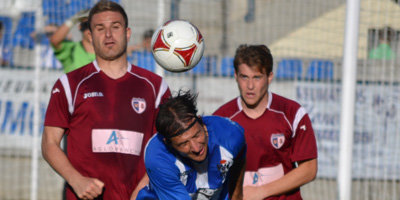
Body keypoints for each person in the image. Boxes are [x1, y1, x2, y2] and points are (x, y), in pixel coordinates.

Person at [41, 1, 171, 200]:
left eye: (115, 27)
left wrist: (143, 189)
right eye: (100, 29)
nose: (108, 35)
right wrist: (76, 180)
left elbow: (165, 146)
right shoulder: (69, 84)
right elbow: (50, 143)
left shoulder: (155, 86)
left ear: (127, 33)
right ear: (90, 37)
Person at [213, 44, 317, 200]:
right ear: (235, 75)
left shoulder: (292, 113)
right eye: (244, 77)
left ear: (269, 77)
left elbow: (309, 169)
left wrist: (261, 191)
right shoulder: (221, 119)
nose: (250, 86)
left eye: (257, 77)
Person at [137, 90, 246, 200]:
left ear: (201, 122)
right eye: (184, 143)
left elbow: (239, 155)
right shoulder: (158, 156)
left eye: (196, 135)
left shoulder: (229, 135)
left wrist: (236, 196)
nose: (196, 148)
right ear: (168, 144)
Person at [50, 8, 95, 73]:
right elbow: (55, 41)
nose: (90, 30)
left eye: (95, 26)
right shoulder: (72, 49)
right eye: (86, 25)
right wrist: (72, 21)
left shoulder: (108, 52)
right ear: (80, 27)